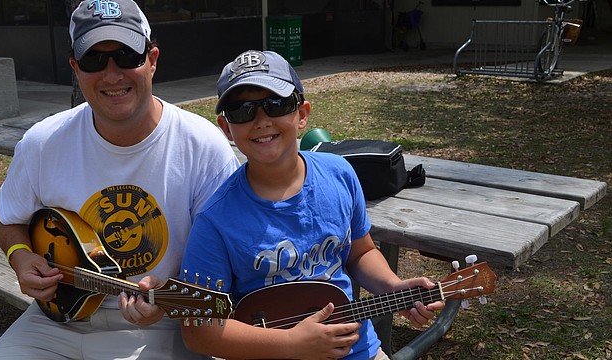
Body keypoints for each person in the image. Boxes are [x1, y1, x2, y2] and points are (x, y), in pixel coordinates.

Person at [0, 1, 240, 359]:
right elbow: (5, 212)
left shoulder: (202, 147)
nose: (112, 74)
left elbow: (231, 255)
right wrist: (20, 255)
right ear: (75, 68)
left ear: (151, 59)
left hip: (163, 323)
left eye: (125, 56)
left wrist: (170, 296)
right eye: (94, 60)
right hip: (57, 320)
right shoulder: (44, 142)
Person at [178, 50, 444, 360]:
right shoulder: (215, 220)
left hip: (357, 350)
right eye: (242, 111)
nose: (262, 121)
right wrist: (290, 344)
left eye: (276, 104)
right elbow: (198, 331)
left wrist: (392, 286)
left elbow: (361, 253)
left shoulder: (340, 175)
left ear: (302, 114)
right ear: (226, 129)